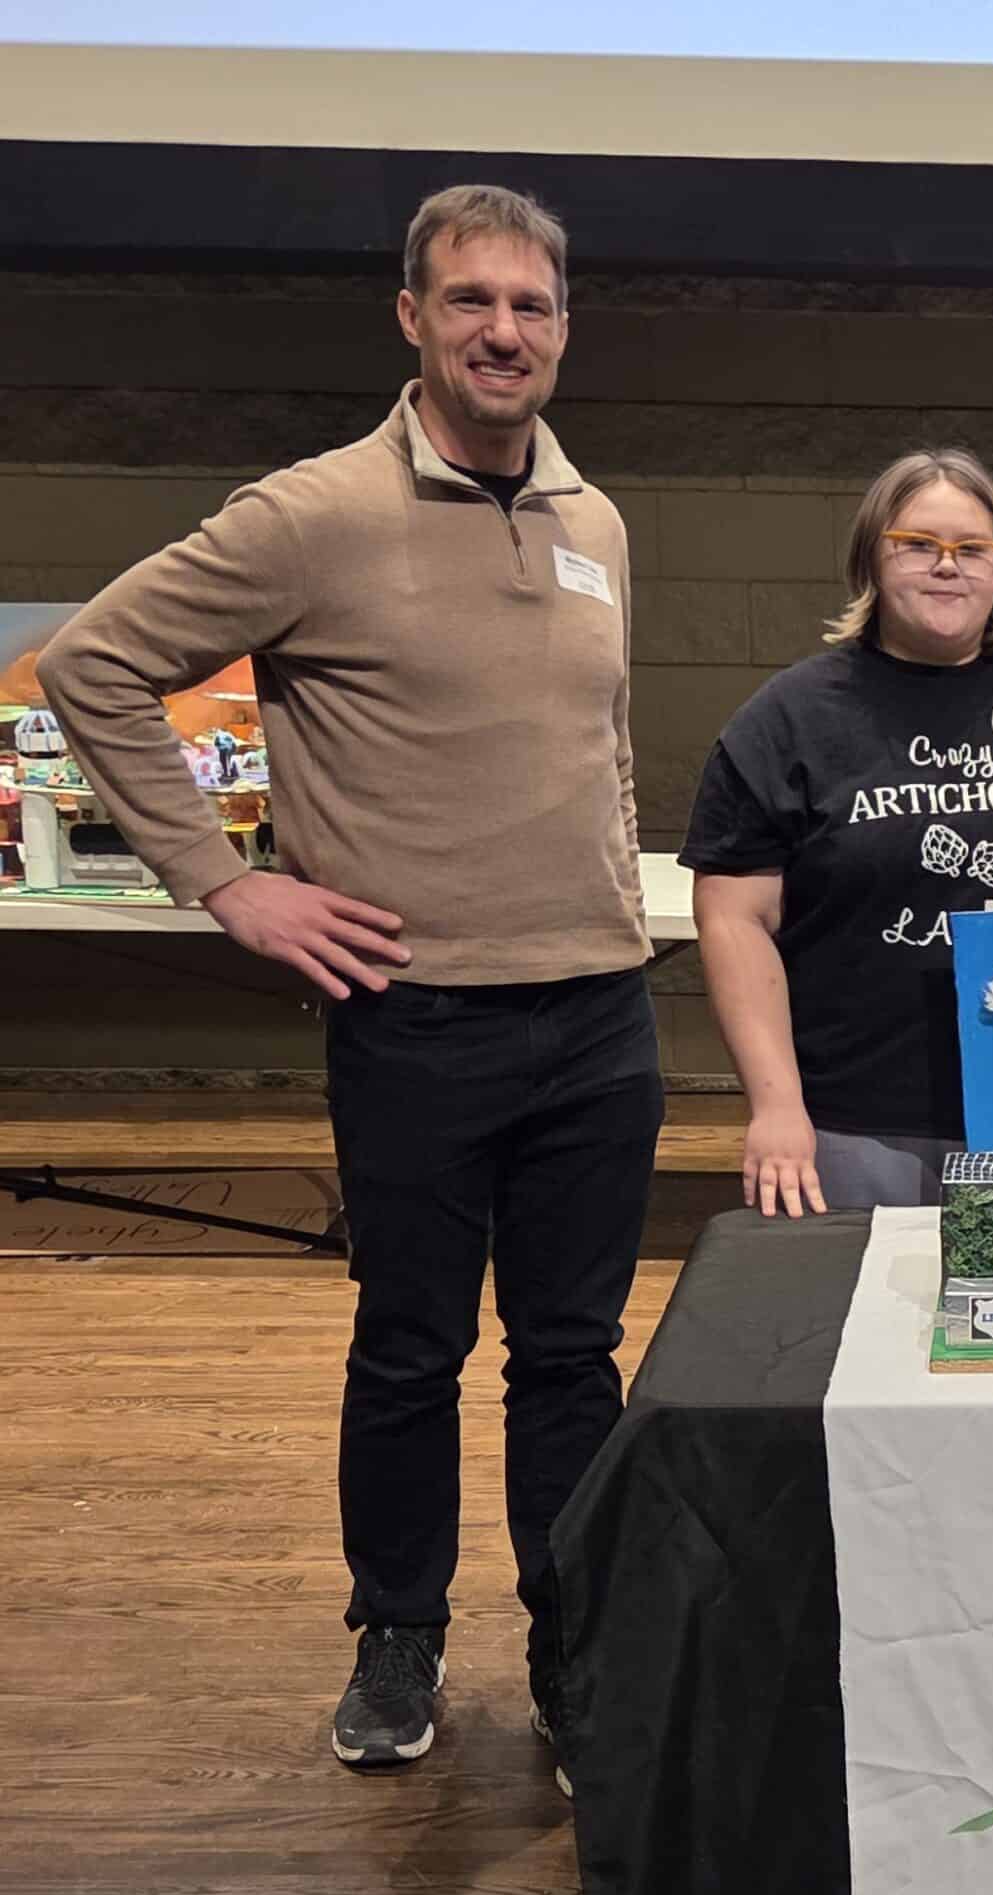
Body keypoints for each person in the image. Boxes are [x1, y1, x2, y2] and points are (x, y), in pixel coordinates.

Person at [37, 185, 657, 1785]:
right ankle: (399, 1632)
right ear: (411, 316)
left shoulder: (595, 522)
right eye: (470, 302)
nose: (502, 332)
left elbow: (600, 745)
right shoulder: (311, 515)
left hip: (597, 1013)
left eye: (531, 306)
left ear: (564, 328)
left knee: (574, 1361)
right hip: (418, 1015)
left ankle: (575, 1643)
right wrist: (226, 883)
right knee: (409, 1347)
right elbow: (95, 668)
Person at [683, 448, 993, 1215]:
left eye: (973, 550)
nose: (948, 567)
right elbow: (731, 918)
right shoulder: (790, 718)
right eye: (918, 545)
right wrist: (777, 1107)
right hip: (851, 1120)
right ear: (872, 561)